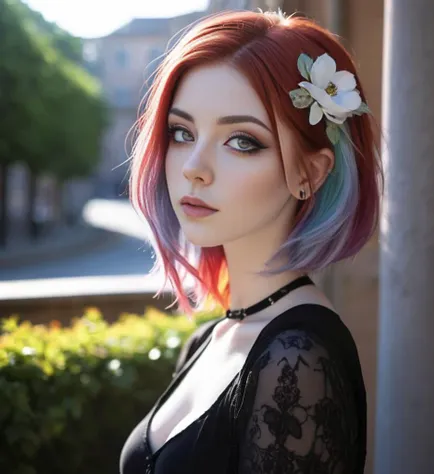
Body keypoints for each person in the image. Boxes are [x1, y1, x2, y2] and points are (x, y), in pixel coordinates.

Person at [120, 9, 382, 474]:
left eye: (242, 141)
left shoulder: (298, 357)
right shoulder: (211, 336)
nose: (193, 167)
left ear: (311, 172)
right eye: (182, 133)